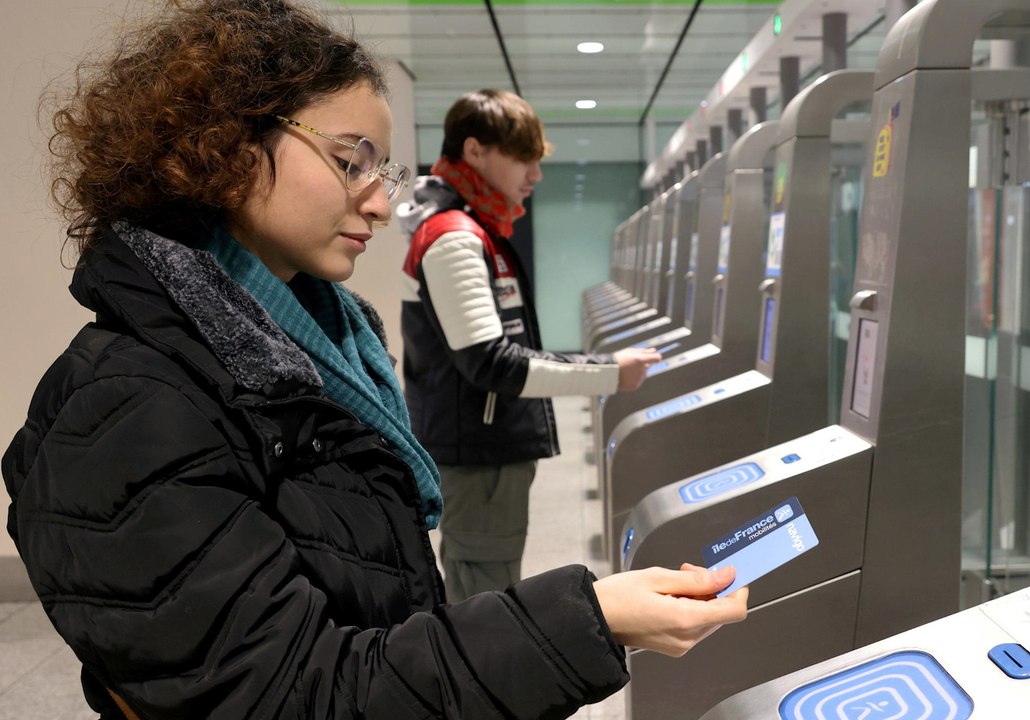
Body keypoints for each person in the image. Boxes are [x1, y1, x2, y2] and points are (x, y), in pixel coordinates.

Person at [2, 1, 747, 717]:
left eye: (380, 169)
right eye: (350, 159)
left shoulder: (308, 356)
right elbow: (303, 691)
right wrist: (583, 618)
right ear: (227, 146)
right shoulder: (134, 407)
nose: (383, 204)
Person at [396, 89, 660, 601]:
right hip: (478, 451)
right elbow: (490, 361)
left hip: (484, 443)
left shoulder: (474, 228)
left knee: (488, 578)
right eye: (523, 157)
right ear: (474, 151)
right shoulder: (454, 235)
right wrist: (609, 371)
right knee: (484, 593)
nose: (535, 174)